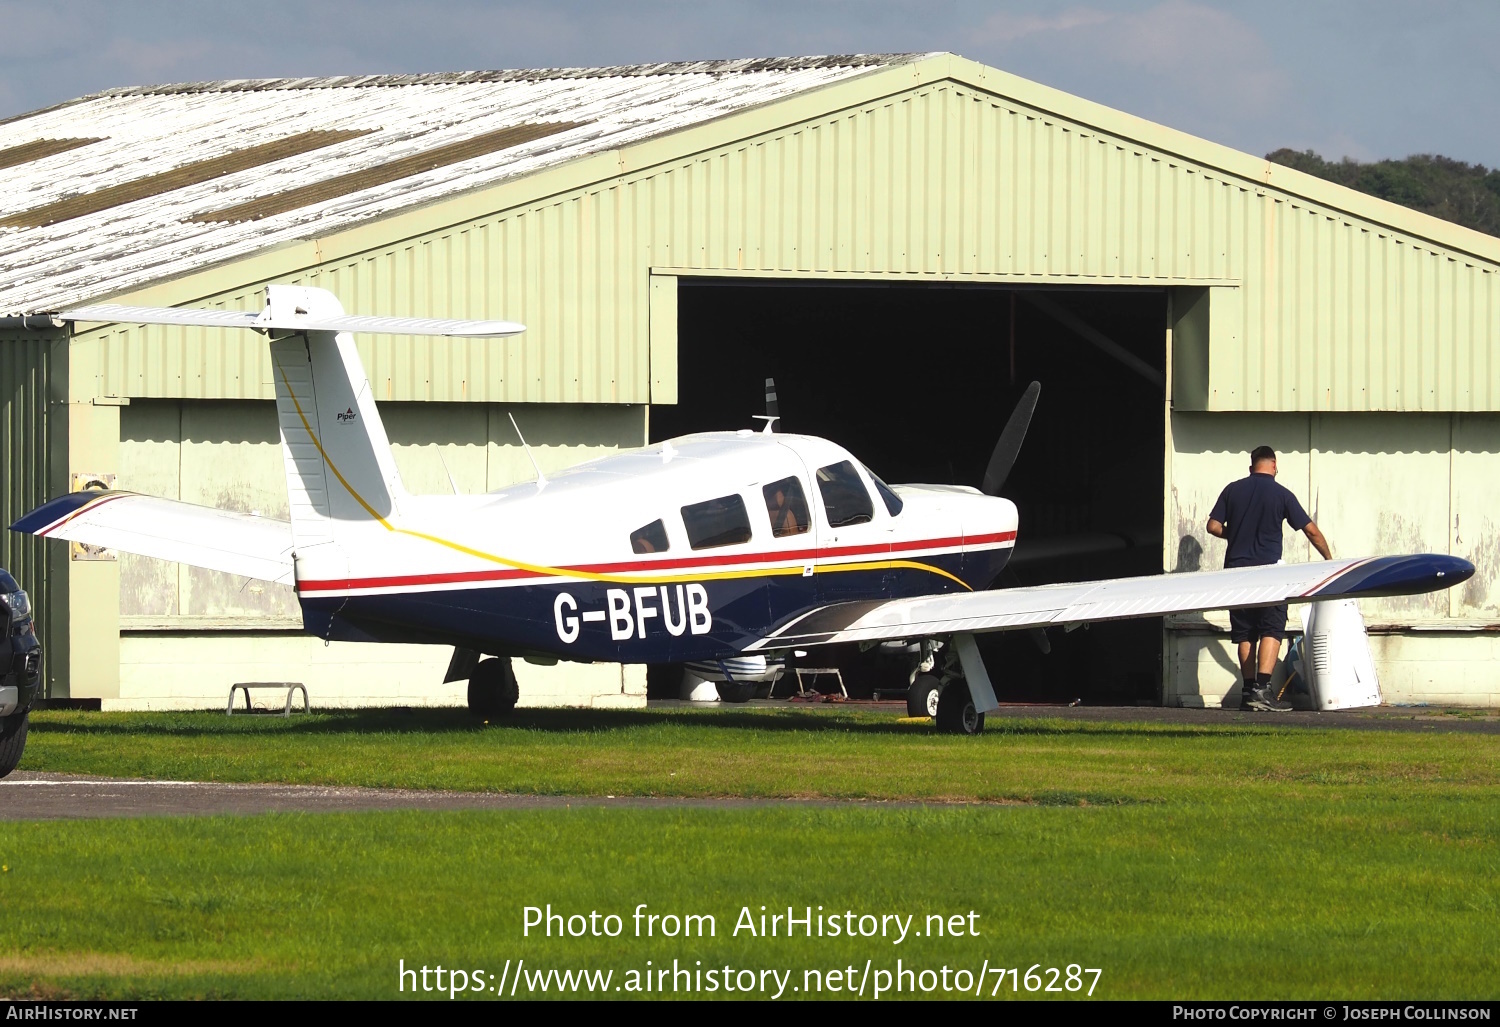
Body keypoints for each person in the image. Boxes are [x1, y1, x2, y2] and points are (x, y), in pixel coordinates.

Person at [1207, 445, 1333, 712]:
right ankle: (1262, 690)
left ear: (1251, 467)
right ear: (1274, 466)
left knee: (1244, 633)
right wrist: (1329, 560)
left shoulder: (1232, 489)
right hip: (1270, 576)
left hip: (1236, 573)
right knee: (1271, 628)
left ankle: (1247, 690)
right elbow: (1310, 531)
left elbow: (1213, 526)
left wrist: (1235, 534)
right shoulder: (1282, 494)